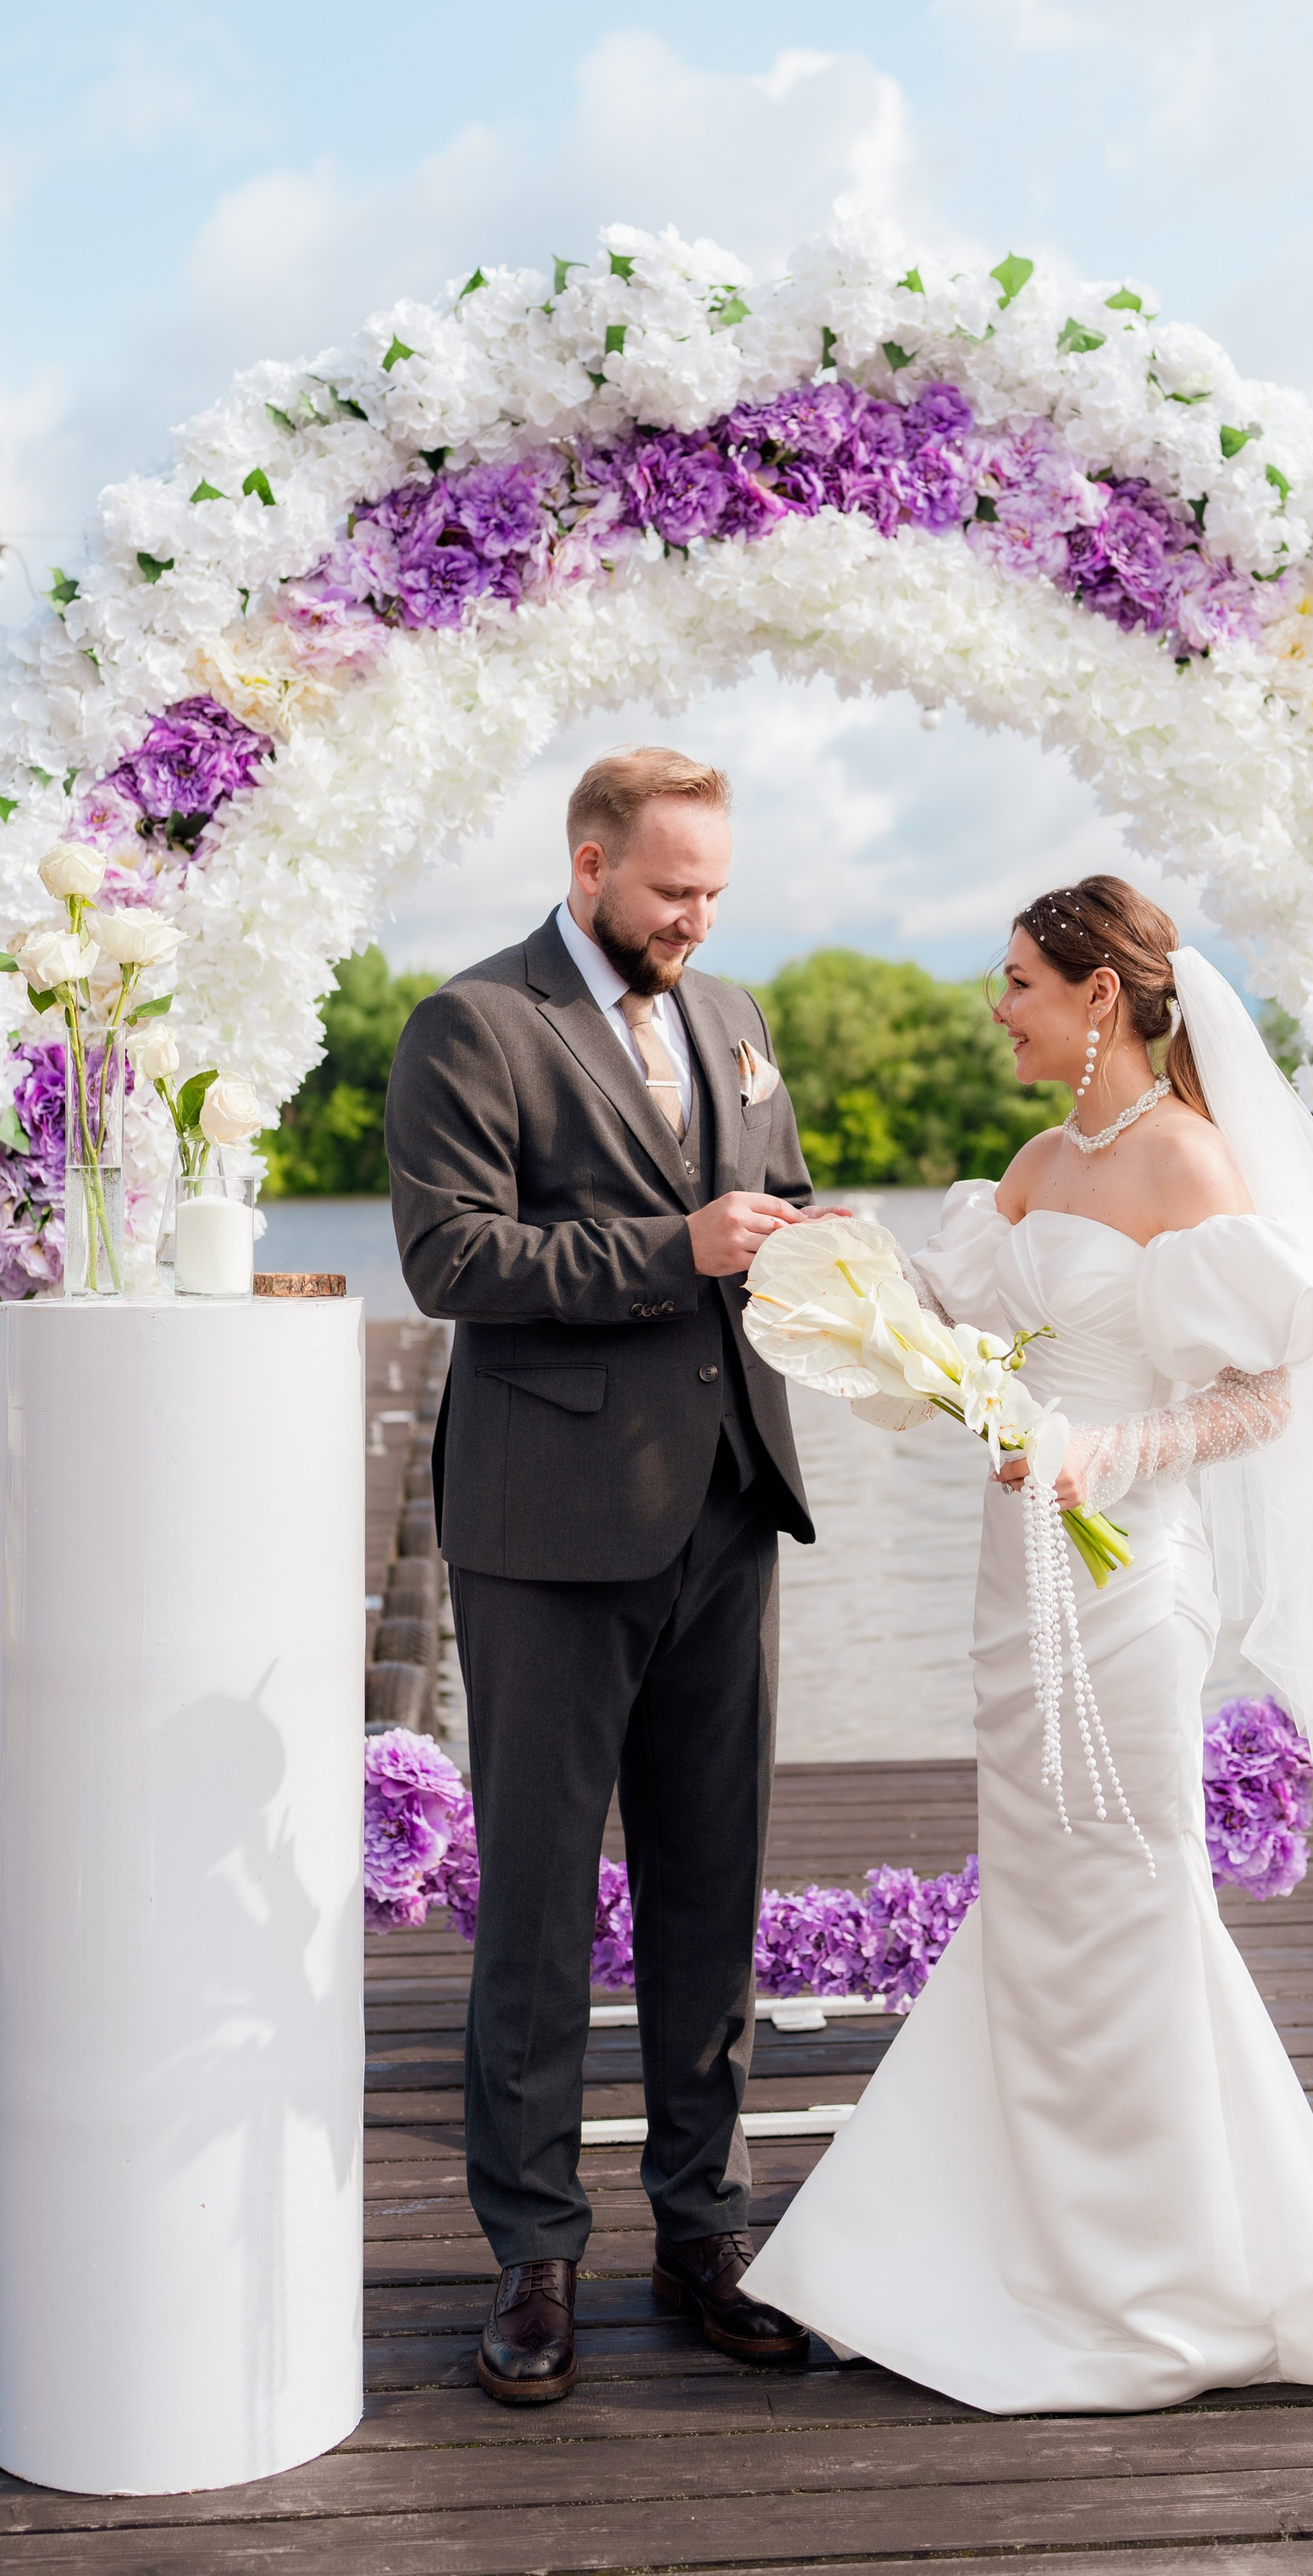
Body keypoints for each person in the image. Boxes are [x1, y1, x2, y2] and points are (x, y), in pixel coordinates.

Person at [741, 875, 1313, 2409]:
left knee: (1131, 1893)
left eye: (1015, 980)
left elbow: (1263, 1399)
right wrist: (849, 1270)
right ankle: (1020, 2242)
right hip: (1018, 1572)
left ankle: (1168, 2267)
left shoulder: (1190, 1161)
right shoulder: (1036, 1160)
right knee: (1040, 1889)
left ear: (1100, 998)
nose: (994, 1006)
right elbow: (949, 1323)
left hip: (1132, 1579)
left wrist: (1099, 1456)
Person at [385, 746, 818, 2406]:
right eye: (669, 893)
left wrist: (806, 1242)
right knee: (542, 1912)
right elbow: (451, 1259)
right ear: (585, 868)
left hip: (726, 1505)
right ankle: (533, 2260)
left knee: (716, 1889)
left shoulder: (733, 1011)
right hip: (549, 1528)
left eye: (714, 890)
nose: (697, 921)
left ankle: (702, 2231)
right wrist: (678, 1248)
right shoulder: (472, 1026)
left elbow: (758, 1202)